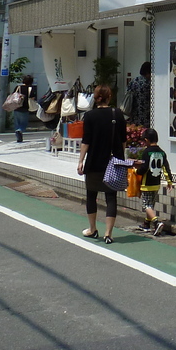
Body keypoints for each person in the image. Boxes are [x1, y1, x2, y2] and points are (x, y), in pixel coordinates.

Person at [76, 84, 126, 243]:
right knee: (111, 197)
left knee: (91, 195)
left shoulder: (89, 116)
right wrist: (120, 157)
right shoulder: (117, 114)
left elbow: (86, 141)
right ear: (109, 97)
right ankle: (108, 234)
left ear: (95, 98)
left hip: (94, 161)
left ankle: (92, 229)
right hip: (113, 162)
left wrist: (80, 161)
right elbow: (123, 140)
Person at [133, 128, 173, 235]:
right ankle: (146, 223)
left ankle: (156, 222)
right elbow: (166, 168)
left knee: (146, 205)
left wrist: (136, 171)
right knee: (151, 204)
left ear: (146, 140)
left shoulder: (147, 152)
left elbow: (144, 167)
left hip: (146, 183)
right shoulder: (162, 152)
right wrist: (169, 181)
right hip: (156, 183)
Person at [125, 61, 151, 128]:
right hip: (147, 115)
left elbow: (127, 93)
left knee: (135, 133)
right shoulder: (150, 83)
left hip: (134, 114)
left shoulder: (134, 81)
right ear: (148, 72)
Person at [12, 74, 36, 143]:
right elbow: (33, 98)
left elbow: (13, 95)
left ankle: (18, 137)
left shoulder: (18, 87)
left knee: (17, 123)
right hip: (25, 108)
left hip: (16, 107)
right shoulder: (31, 88)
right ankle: (20, 130)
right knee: (23, 123)